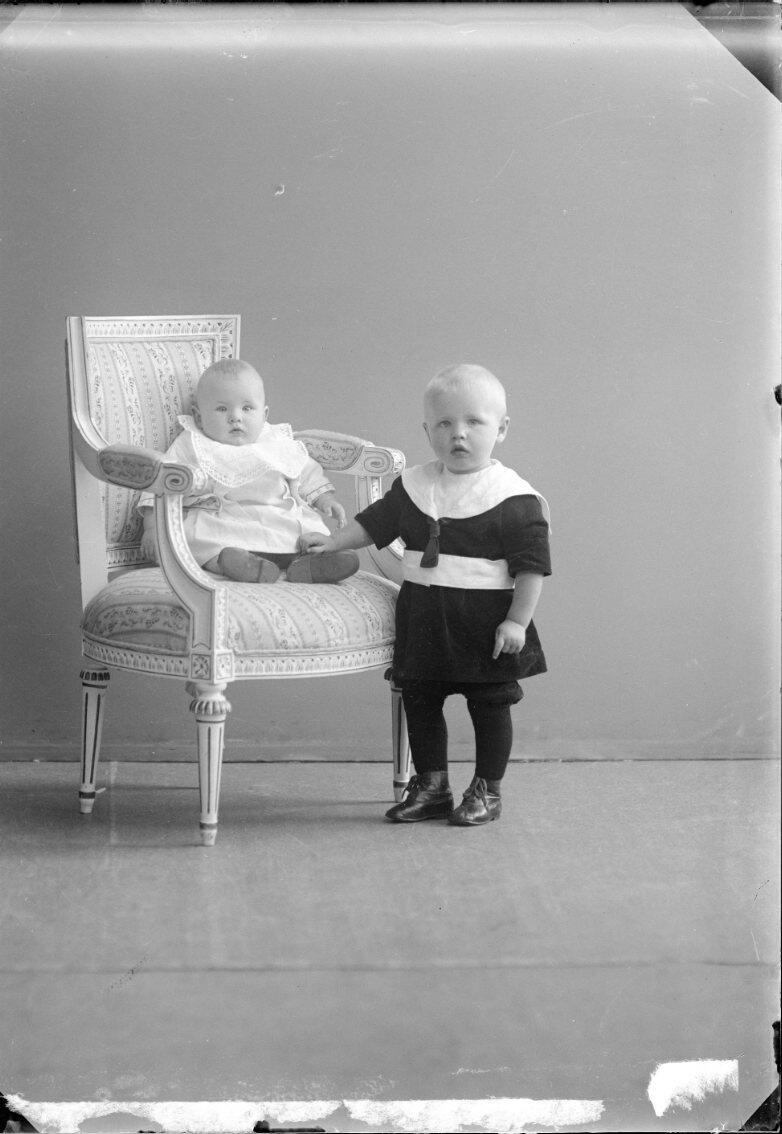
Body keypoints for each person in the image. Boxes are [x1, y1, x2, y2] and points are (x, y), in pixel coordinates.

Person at [299, 363, 551, 826]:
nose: (458, 434)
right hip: (425, 616)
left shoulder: (514, 499)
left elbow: (531, 568)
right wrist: (333, 543)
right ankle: (432, 785)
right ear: (427, 430)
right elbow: (374, 524)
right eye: (444, 423)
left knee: (490, 704)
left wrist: (517, 621)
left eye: (474, 422)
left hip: (485, 622)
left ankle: (487, 790)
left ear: (501, 429)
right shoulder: (415, 486)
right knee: (420, 698)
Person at [137, 359, 359, 584]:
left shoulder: (276, 441)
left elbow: (305, 470)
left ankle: (309, 565)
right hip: (223, 521)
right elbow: (162, 478)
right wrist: (152, 527)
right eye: (222, 409)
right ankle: (230, 564)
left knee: (309, 533)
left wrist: (324, 499)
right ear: (199, 417)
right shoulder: (193, 443)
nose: (236, 417)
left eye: (247, 408)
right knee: (199, 538)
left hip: (279, 519)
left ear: (264, 414)